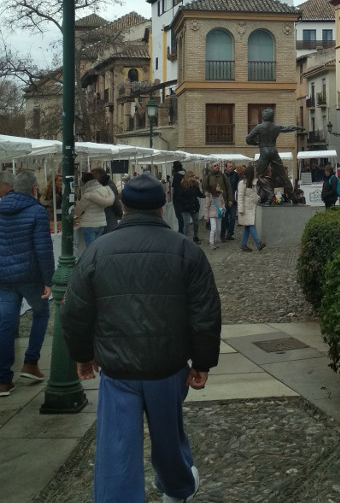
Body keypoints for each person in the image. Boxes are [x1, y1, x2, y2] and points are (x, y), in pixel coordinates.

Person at [59, 173, 221, 503]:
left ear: (124, 205)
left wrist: (81, 355)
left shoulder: (98, 250)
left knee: (117, 448)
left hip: (118, 369)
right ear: (162, 207)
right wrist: (202, 362)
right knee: (168, 436)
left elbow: (75, 311)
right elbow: (205, 313)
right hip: (168, 365)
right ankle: (177, 488)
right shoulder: (186, 250)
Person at [0, 171, 54, 397]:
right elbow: (43, 249)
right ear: (34, 189)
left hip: (4, 277)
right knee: (41, 314)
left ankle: (3, 380)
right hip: (30, 275)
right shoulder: (37, 211)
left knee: (5, 323)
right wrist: (49, 280)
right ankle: (30, 363)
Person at [246, 108, 304, 201]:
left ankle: (270, 193)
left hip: (264, 151)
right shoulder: (276, 127)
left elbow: (248, 139)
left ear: (263, 117)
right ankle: (293, 196)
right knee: (283, 175)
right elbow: (287, 128)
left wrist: (256, 143)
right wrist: (297, 127)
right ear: (272, 117)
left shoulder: (259, 127)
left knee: (259, 176)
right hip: (273, 150)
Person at [74, 172, 115, 247]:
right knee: (97, 247)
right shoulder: (104, 190)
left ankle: (92, 259)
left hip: (89, 223)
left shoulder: (87, 195)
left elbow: (78, 211)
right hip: (101, 222)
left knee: (90, 248)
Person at [237, 165, 266, 252]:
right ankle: (258, 243)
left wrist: (258, 198)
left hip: (251, 208)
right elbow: (240, 196)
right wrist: (240, 209)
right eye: (254, 171)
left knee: (247, 227)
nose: (255, 173)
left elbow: (253, 195)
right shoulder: (242, 183)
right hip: (246, 209)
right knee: (251, 225)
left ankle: (243, 245)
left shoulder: (252, 183)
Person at [91, 167, 123, 233]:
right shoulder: (101, 185)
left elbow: (115, 203)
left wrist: (119, 214)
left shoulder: (108, 186)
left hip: (108, 219)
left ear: (99, 175)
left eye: (93, 176)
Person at [178, 171, 204, 244]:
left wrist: (205, 195)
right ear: (187, 177)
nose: (193, 178)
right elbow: (180, 197)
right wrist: (185, 203)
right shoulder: (182, 185)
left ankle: (195, 237)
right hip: (185, 208)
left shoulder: (195, 185)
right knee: (186, 224)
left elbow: (198, 194)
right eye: (192, 176)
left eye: (194, 176)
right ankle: (185, 239)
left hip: (194, 206)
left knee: (196, 223)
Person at [204, 182, 226, 251]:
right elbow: (206, 207)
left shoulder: (220, 195)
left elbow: (223, 203)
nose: (219, 187)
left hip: (219, 214)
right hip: (212, 214)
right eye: (218, 186)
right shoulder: (209, 196)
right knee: (213, 228)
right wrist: (206, 217)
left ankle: (215, 241)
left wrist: (223, 208)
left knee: (219, 229)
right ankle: (211, 243)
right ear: (214, 188)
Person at [221, 161, 239, 241]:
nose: (231, 168)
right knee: (224, 218)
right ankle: (224, 233)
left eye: (232, 166)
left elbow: (237, 187)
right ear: (226, 167)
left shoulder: (236, 175)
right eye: (229, 166)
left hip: (234, 200)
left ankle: (230, 233)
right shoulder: (222, 176)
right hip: (224, 200)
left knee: (232, 218)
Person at [171, 160, 186, 233]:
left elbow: (175, 188)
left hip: (177, 199)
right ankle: (182, 230)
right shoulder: (185, 175)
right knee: (182, 216)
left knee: (179, 216)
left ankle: (181, 231)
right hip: (183, 198)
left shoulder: (177, 176)